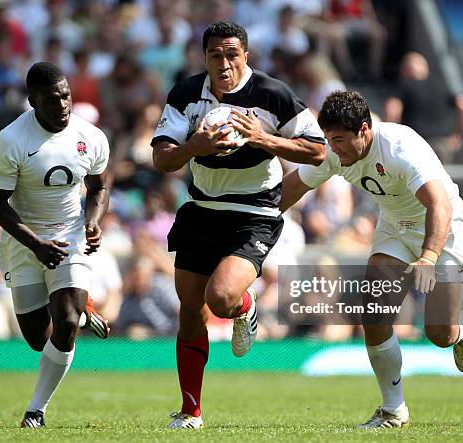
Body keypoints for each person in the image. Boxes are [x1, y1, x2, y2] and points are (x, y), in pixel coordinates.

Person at [151, 21, 325, 429]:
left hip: (255, 211)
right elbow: (161, 159)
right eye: (216, 55)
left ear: (246, 55)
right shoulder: (186, 94)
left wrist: (264, 139)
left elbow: (316, 151)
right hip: (202, 208)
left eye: (232, 54)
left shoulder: (273, 94)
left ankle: (244, 309)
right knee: (190, 310)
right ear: (205, 58)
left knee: (223, 297)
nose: (225, 63)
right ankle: (190, 410)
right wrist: (195, 146)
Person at [281, 91, 463, 429]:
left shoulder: (400, 147)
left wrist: (429, 257)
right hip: (396, 229)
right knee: (373, 310)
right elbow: (295, 185)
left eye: (340, 139)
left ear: (365, 129)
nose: (334, 148)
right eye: (329, 139)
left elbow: (439, 205)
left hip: (445, 227)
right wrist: (256, 220)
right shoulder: (335, 153)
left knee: (440, 334)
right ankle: (393, 410)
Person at [0, 62, 110, 428]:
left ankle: (36, 410)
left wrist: (93, 221)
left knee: (66, 323)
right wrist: (36, 243)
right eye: (52, 99)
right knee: (41, 340)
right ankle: (81, 309)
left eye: (66, 95)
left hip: (70, 235)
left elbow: (100, 185)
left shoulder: (91, 136)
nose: (63, 105)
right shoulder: (12, 140)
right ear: (33, 101)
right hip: (24, 240)